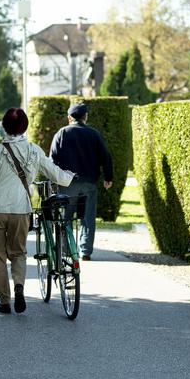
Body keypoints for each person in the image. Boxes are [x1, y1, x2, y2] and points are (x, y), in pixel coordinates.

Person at [0, 108, 75, 314]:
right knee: (18, 252)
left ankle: (4, 301)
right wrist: (70, 177)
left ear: (4, 126)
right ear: (25, 127)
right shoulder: (34, 150)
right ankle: (19, 287)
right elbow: (54, 173)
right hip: (20, 208)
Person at [50, 103, 113, 261]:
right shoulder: (94, 134)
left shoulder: (62, 133)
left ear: (69, 117)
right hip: (89, 182)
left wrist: (54, 180)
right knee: (88, 217)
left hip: (67, 183)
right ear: (86, 117)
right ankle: (85, 251)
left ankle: (65, 251)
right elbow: (106, 157)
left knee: (65, 217)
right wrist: (108, 177)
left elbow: (52, 160)